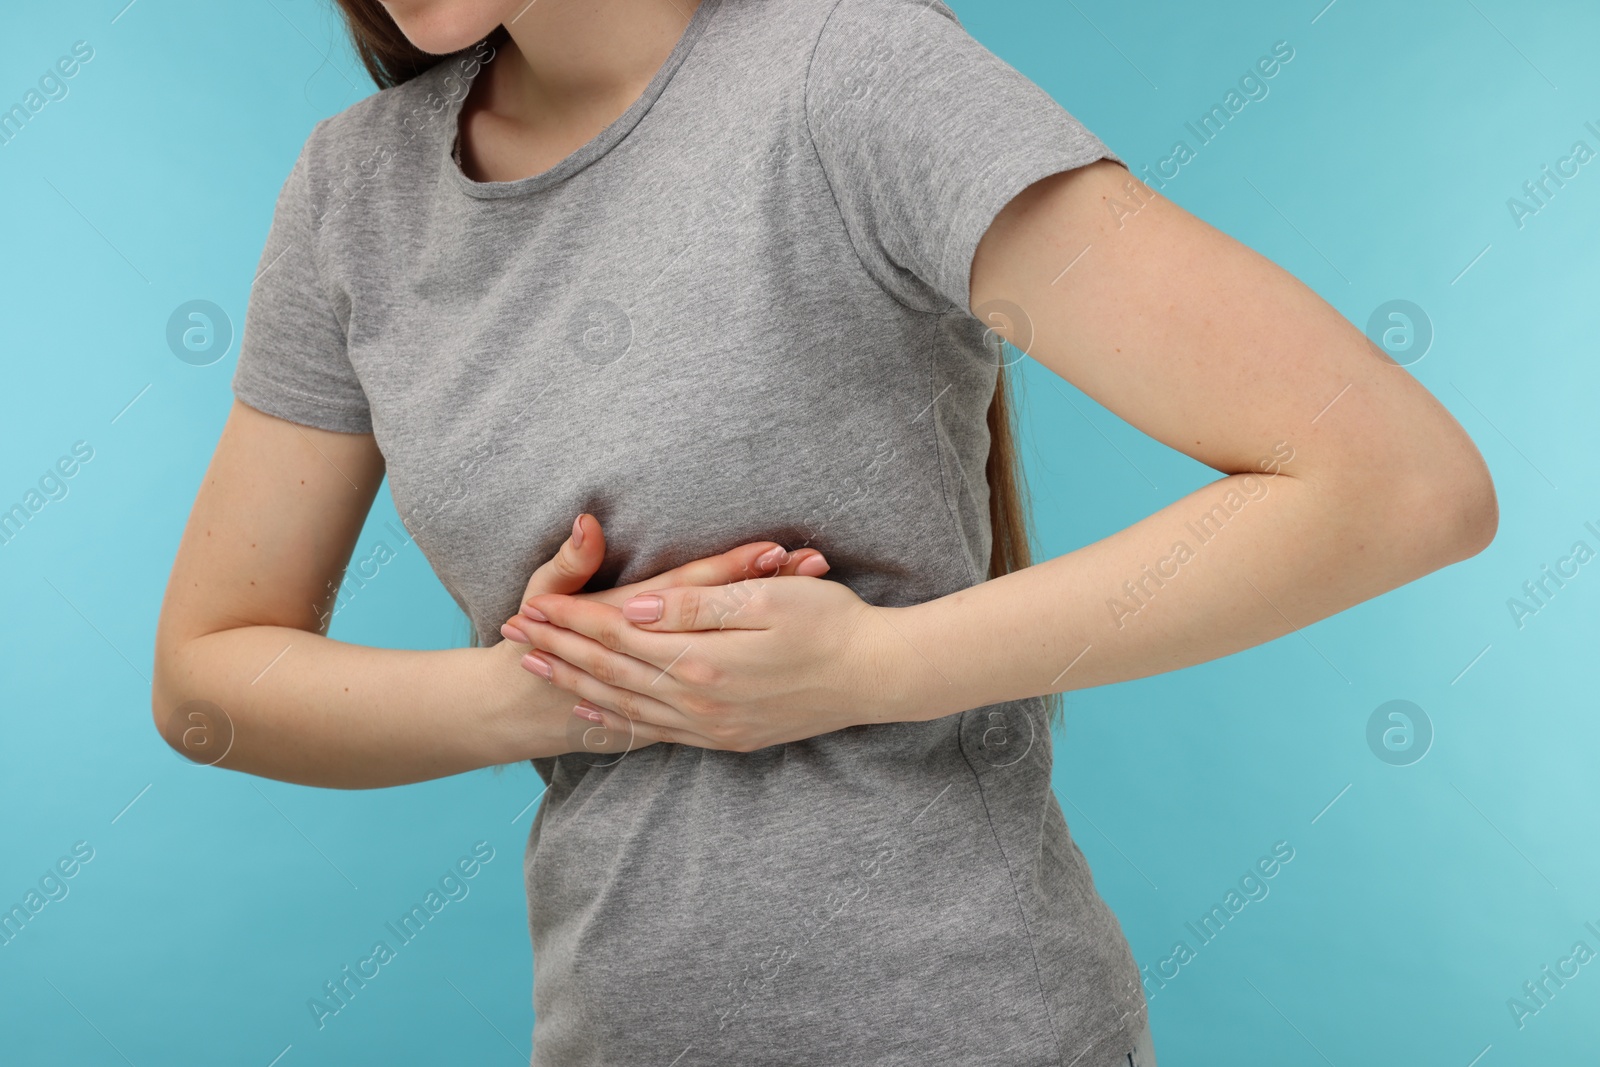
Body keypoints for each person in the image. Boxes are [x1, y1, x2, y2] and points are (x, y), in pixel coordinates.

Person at [152, 0, 1498, 1064]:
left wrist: (866, 670)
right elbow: (209, 680)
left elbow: (1396, 483)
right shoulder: (354, 196)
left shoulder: (852, 74)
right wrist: (560, 692)